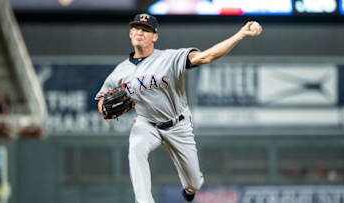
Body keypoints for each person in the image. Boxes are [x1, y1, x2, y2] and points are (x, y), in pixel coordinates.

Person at [95, 13, 262, 203]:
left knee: (194, 184)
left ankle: (190, 187)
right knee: (136, 148)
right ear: (130, 33)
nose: (140, 33)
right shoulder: (120, 71)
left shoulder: (170, 58)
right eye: (137, 29)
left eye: (146, 30)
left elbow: (206, 57)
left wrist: (239, 35)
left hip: (177, 124)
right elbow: (102, 101)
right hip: (146, 123)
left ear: (155, 36)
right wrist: (104, 108)